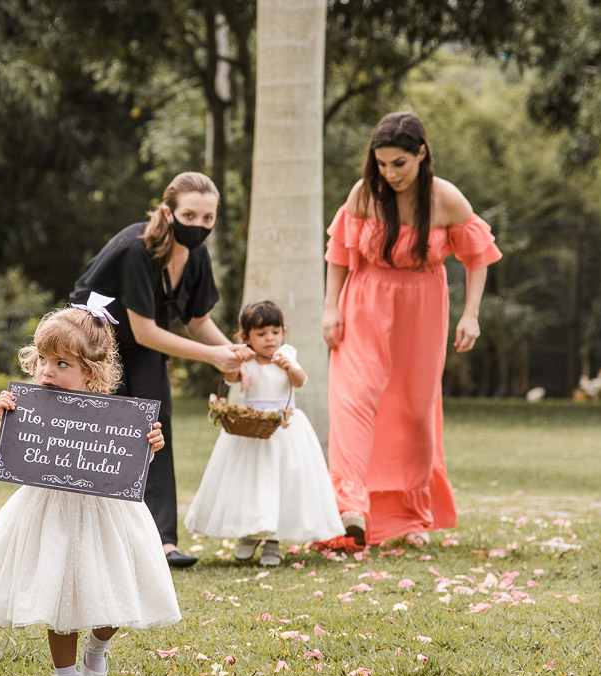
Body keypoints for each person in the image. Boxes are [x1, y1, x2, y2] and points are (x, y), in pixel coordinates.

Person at [0, 307, 181, 676]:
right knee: (59, 596)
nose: (46, 371)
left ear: (90, 371)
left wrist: (149, 446)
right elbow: (21, 451)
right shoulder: (33, 405)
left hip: (105, 512)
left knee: (116, 594)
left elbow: (122, 462)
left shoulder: (115, 416)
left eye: (61, 363)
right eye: (42, 359)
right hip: (50, 509)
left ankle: (98, 645)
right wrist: (5, 416)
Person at [322, 111, 502, 550]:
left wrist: (471, 314)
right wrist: (331, 307)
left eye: (398, 163)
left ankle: (410, 517)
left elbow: (478, 257)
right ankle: (350, 507)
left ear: (422, 153)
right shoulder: (365, 195)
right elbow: (340, 253)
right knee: (355, 402)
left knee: (413, 413)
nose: (389, 173)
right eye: (382, 164)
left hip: (421, 309)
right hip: (363, 306)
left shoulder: (446, 200)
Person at [70, 172, 251, 568]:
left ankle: (162, 542)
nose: (199, 226)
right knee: (113, 427)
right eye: (190, 215)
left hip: (140, 343)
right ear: (168, 212)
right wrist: (213, 358)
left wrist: (235, 352)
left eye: (208, 218)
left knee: (155, 423)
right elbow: (146, 331)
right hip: (96, 339)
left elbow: (196, 320)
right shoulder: (138, 249)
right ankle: (108, 539)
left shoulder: (197, 255)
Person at [185, 299, 343, 566]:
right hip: (251, 432)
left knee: (279, 484)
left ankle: (273, 541)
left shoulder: (287, 354)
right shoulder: (246, 359)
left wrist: (288, 367)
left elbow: (299, 381)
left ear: (283, 332)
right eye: (261, 334)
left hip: (283, 429)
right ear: (246, 337)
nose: (270, 339)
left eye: (275, 332)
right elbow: (231, 378)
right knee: (252, 484)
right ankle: (250, 533)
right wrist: (236, 361)